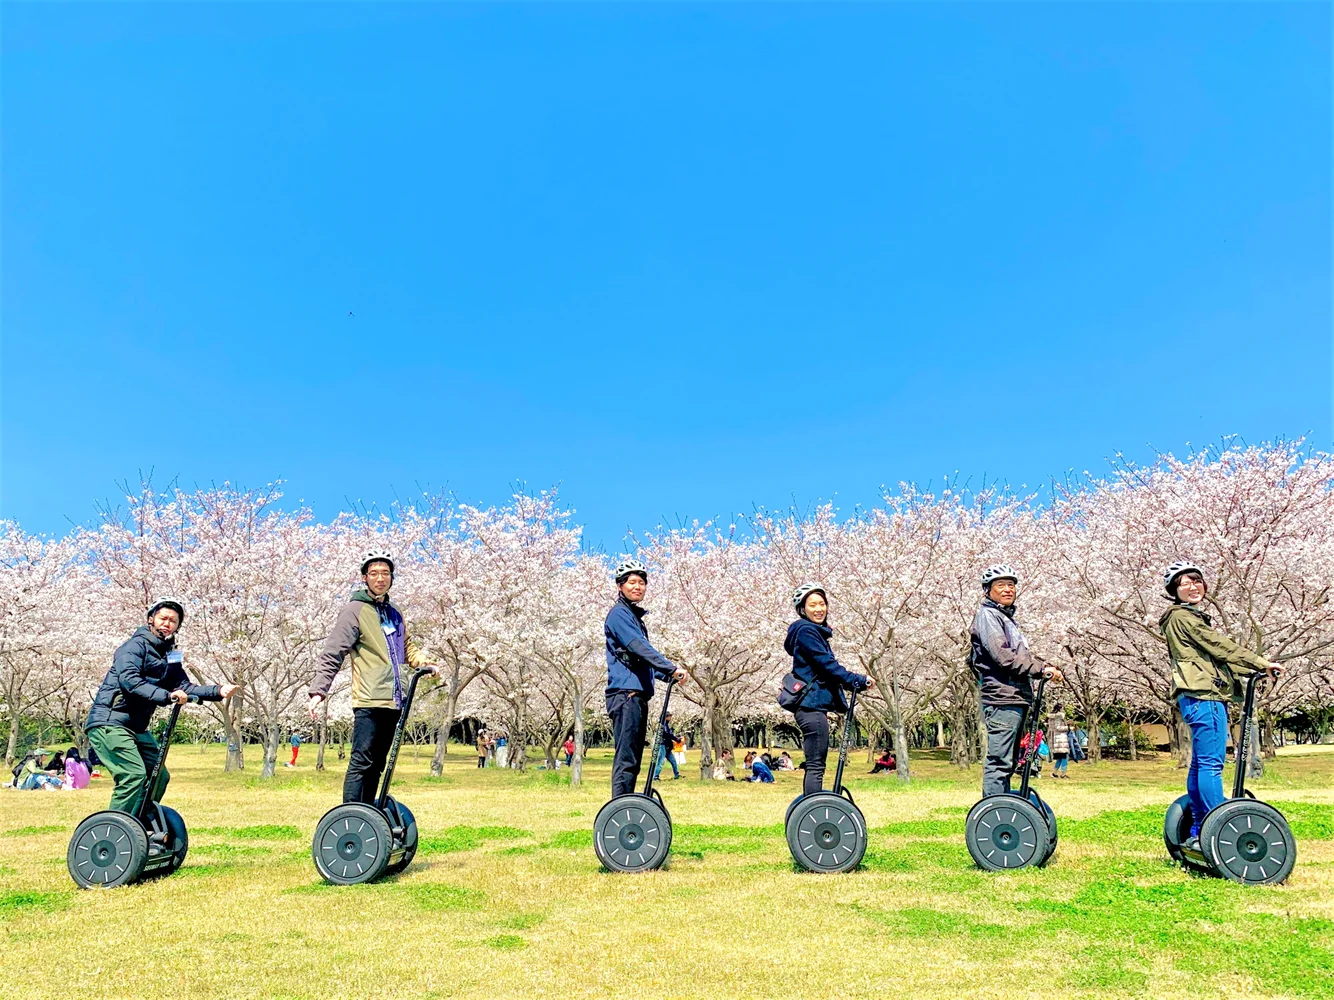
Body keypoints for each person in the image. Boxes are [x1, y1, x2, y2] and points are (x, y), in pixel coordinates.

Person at [1159, 560, 1283, 846]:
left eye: (1197, 580)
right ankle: (1219, 830)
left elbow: (1209, 657)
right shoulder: (1185, 618)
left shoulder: (1179, 618)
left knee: (1200, 765)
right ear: (1174, 590)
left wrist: (1248, 670)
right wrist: (1260, 662)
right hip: (1206, 696)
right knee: (1211, 765)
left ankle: (1200, 830)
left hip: (1194, 694)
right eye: (1184, 583)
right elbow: (1219, 646)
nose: (1193, 587)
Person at [85, 598, 240, 815]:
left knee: (159, 776)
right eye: (163, 618)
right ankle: (115, 828)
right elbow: (130, 680)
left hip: (136, 727)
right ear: (151, 619)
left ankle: (140, 823)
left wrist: (217, 691)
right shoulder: (133, 647)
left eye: (173, 621)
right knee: (133, 775)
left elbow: (183, 686)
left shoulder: (169, 655)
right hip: (110, 722)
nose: (167, 623)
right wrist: (166, 696)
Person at [307, 550, 440, 803]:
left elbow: (407, 647)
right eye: (375, 574)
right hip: (369, 699)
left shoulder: (394, 613)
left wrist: (425, 663)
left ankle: (368, 815)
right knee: (361, 761)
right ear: (364, 578)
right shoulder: (354, 610)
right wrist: (319, 691)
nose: (381, 578)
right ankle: (351, 817)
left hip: (394, 699)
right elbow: (334, 651)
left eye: (386, 573)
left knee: (378, 764)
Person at [970, 565, 1063, 797]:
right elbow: (1002, 656)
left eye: (1011, 585)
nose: (1007, 589)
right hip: (1002, 698)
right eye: (1000, 585)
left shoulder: (1006, 619)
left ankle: (1002, 805)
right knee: (1000, 762)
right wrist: (1041, 669)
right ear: (987, 591)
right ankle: (993, 811)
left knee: (1010, 762)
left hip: (1016, 696)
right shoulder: (988, 616)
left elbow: (1018, 657)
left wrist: (1042, 668)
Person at [603, 558, 687, 798]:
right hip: (625, 695)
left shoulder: (634, 617)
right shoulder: (619, 614)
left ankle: (627, 804)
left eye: (641, 582)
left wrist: (664, 674)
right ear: (620, 586)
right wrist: (670, 667)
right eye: (631, 582)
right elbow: (637, 646)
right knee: (626, 758)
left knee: (635, 759)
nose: (637, 587)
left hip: (636, 695)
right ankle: (619, 810)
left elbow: (638, 660)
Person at [782, 584, 873, 797]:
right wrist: (858, 680)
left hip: (813, 707)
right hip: (810, 708)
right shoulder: (806, 631)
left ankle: (811, 810)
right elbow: (828, 666)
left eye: (822, 604)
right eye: (812, 605)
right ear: (802, 609)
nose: (818, 609)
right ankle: (812, 813)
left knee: (816, 763)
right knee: (815, 765)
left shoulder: (812, 632)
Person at [653, 711, 681, 780]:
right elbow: (667, 734)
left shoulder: (665, 724)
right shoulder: (663, 724)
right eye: (670, 716)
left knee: (673, 761)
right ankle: (655, 776)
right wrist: (676, 739)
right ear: (666, 717)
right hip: (662, 745)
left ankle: (677, 774)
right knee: (661, 761)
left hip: (667, 745)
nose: (671, 718)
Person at [1048, 703, 1071, 778]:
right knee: (1064, 757)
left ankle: (1054, 773)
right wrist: (1068, 727)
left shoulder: (1052, 717)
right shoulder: (1058, 716)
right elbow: (1058, 727)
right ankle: (1063, 774)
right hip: (1060, 739)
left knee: (1061, 758)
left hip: (1056, 739)